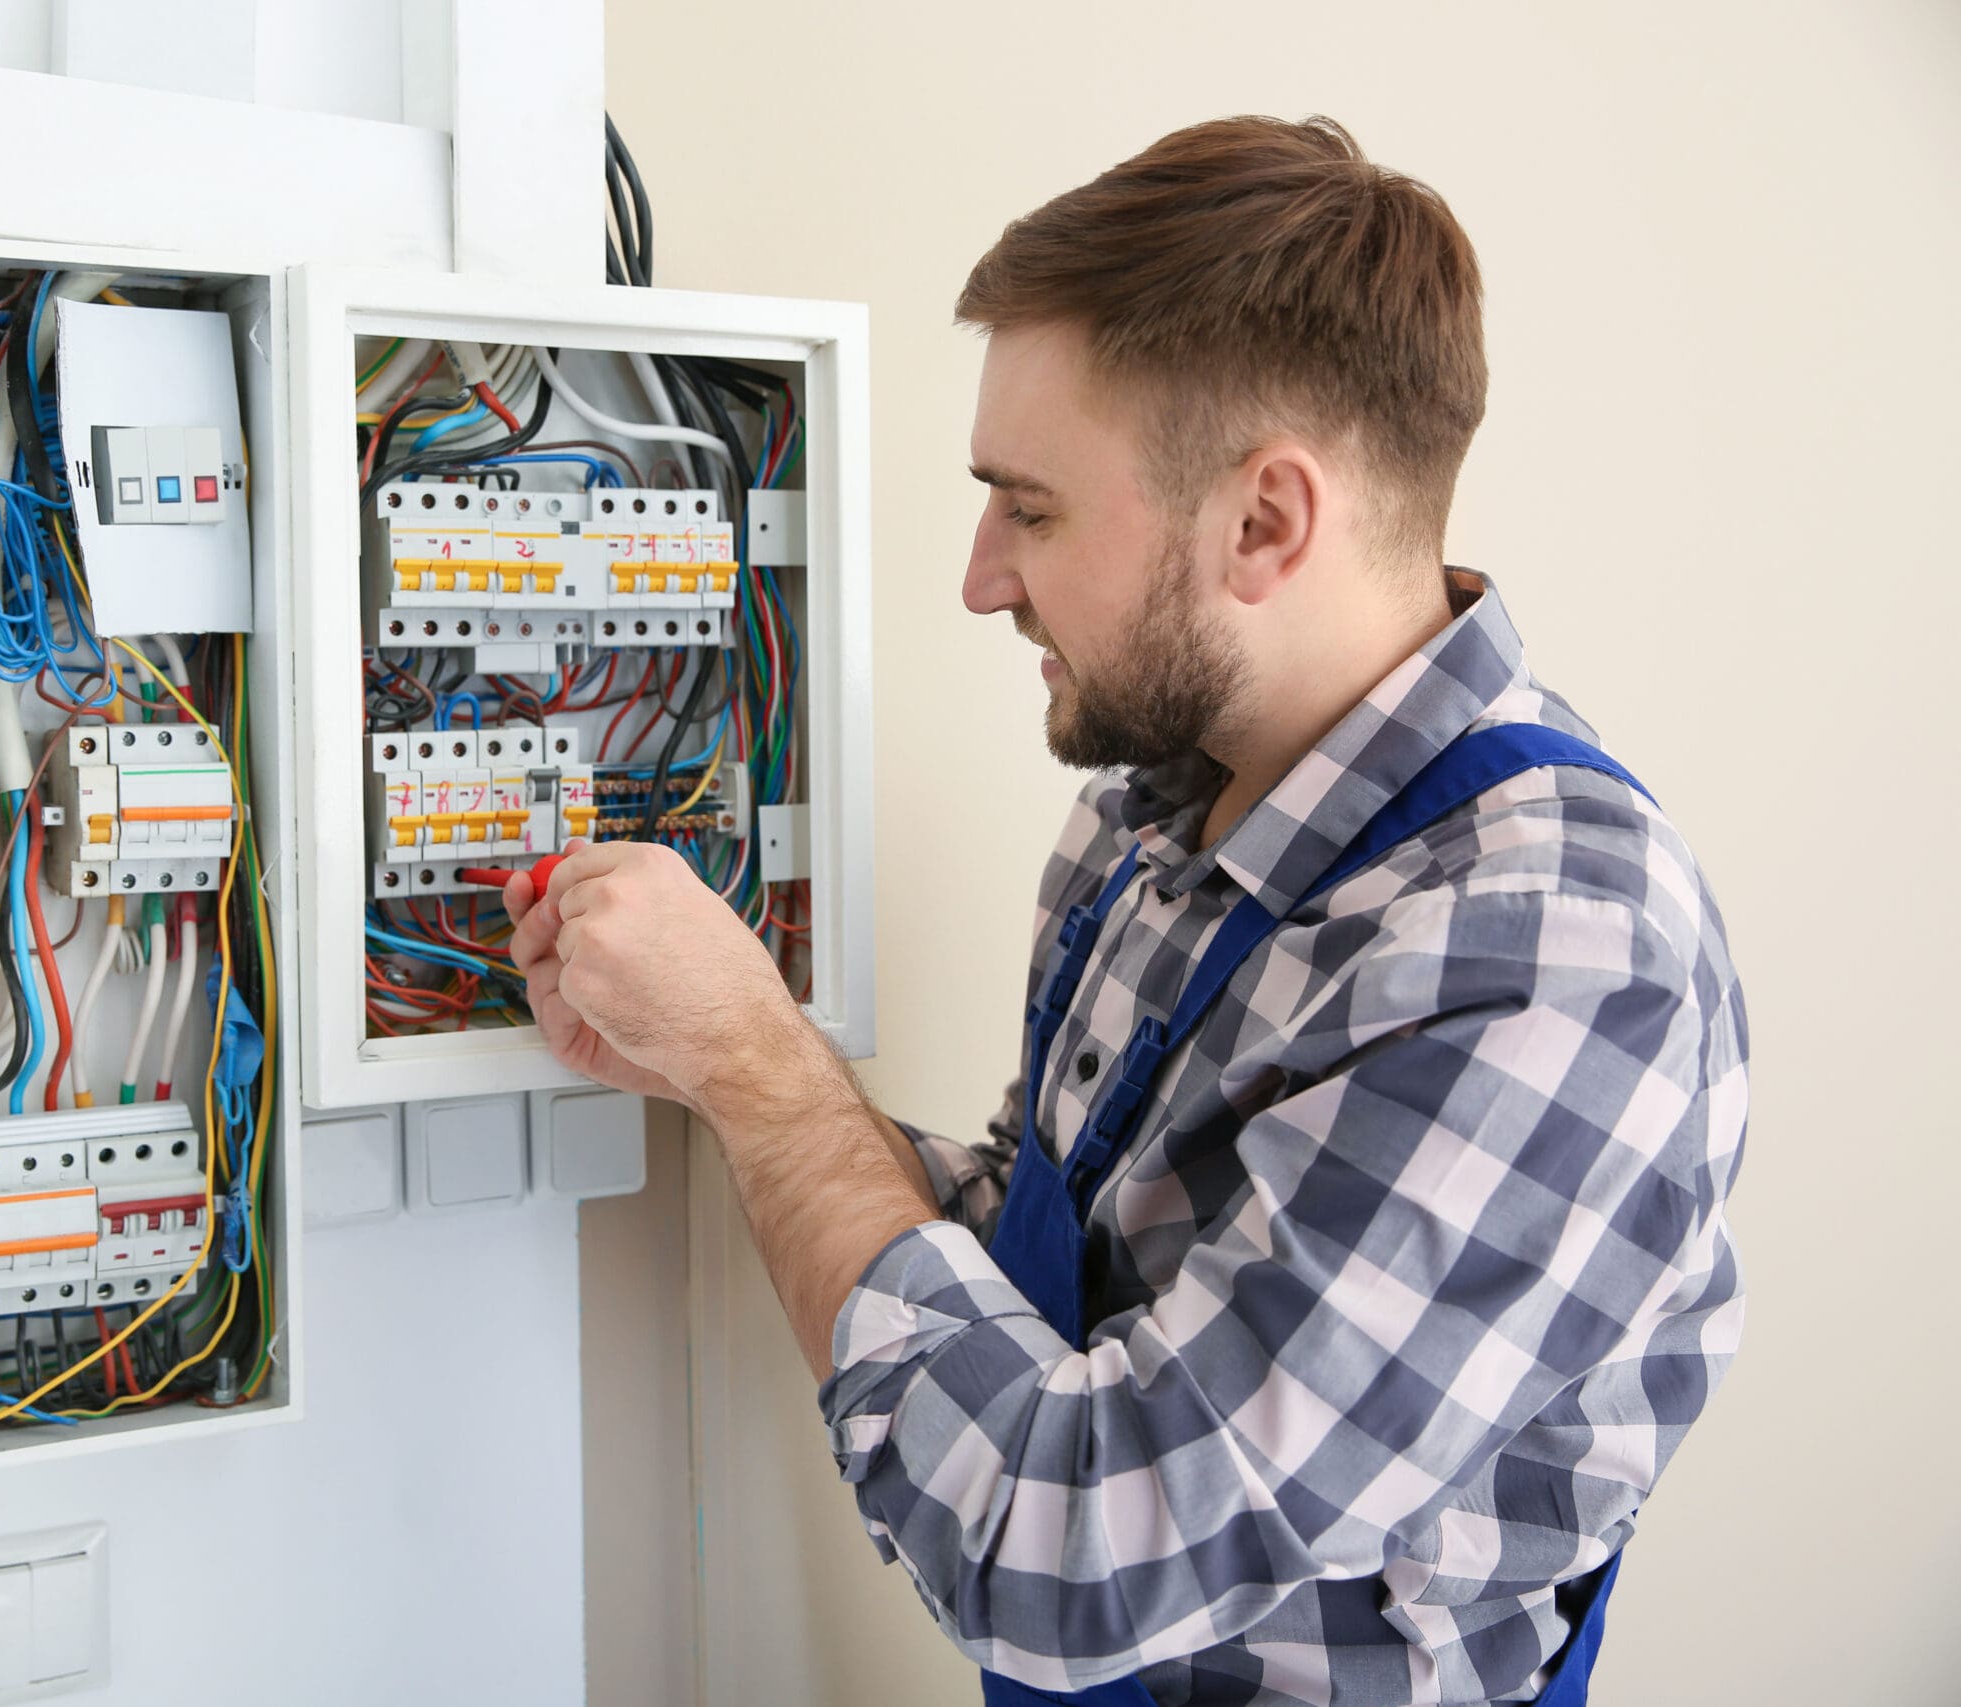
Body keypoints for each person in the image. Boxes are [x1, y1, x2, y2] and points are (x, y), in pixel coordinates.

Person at [502, 115, 1746, 1706]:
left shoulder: (1553, 954)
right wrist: (717, 1061)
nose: (977, 577)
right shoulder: (1146, 816)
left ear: (1265, 524)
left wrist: (764, 1070)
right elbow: (1047, 1279)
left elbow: (1074, 1549)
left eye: (1031, 508)